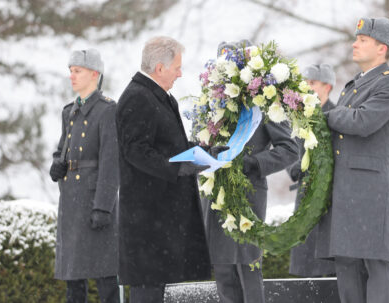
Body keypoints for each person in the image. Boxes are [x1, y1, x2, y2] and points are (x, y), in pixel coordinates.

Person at [115, 36, 216, 303]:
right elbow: (135, 151)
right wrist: (178, 168)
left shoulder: (156, 96)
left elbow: (168, 146)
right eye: (177, 67)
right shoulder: (137, 97)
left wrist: (204, 152)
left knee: (161, 291)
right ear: (159, 68)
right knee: (148, 292)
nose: (180, 73)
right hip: (148, 223)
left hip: (161, 222)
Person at [201, 40, 299, 303]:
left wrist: (253, 163)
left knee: (248, 270)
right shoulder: (211, 105)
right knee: (223, 272)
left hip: (249, 195)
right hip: (216, 196)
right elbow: (201, 141)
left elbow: (290, 150)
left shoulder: (265, 104)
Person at [316, 17, 389, 303]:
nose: (355, 44)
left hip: (369, 189)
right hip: (345, 187)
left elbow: (362, 121)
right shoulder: (353, 85)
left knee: (375, 263)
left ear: (382, 48)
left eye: (362, 40)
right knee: (346, 263)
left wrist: (326, 115)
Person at [49, 49, 120, 303]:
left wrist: (103, 206)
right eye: (70, 71)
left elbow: (111, 162)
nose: (72, 76)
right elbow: (62, 150)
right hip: (71, 203)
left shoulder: (107, 110)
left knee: (106, 278)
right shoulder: (69, 111)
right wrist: (57, 164)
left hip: (95, 203)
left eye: (77, 71)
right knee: (73, 282)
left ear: (94, 74)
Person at [287, 63, 337, 278]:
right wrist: (296, 167)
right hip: (304, 195)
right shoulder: (298, 117)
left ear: (328, 87)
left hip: (331, 199)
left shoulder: (338, 116)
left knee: (327, 265)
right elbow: (288, 150)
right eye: (305, 83)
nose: (307, 87)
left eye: (313, 83)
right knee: (304, 262)